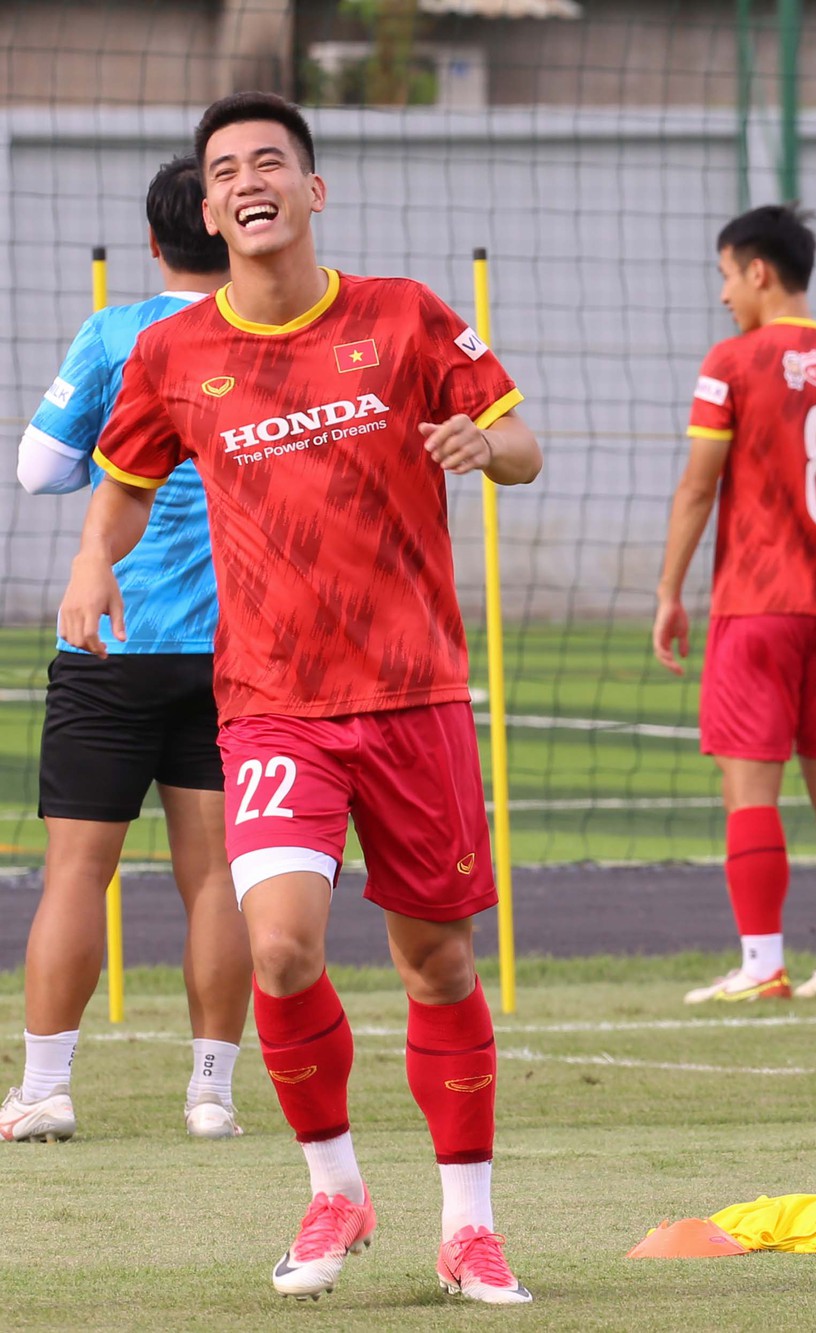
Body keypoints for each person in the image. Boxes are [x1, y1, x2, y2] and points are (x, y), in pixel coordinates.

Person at [59, 92, 540, 1302]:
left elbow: (522, 439)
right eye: (225, 170)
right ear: (211, 207)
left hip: (415, 694)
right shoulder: (173, 351)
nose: (247, 180)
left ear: (311, 191)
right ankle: (335, 1192)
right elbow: (121, 479)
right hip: (272, 701)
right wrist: (88, 560)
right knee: (277, 946)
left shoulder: (402, 315)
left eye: (269, 160)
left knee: (436, 961)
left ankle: (469, 1225)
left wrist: (489, 448)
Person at [3, 156, 249, 1145]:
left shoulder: (116, 332)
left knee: (76, 871)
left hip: (114, 629)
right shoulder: (266, 335)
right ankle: (210, 1095)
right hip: (240, 646)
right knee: (220, 875)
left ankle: (47, 1089)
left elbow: (36, 470)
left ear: (152, 244)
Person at [655, 203, 816, 1005]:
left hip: (756, 608)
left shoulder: (731, 361)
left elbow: (698, 486)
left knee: (748, 791)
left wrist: (669, 591)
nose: (723, 292)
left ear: (758, 271)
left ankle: (762, 967)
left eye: (726, 274)